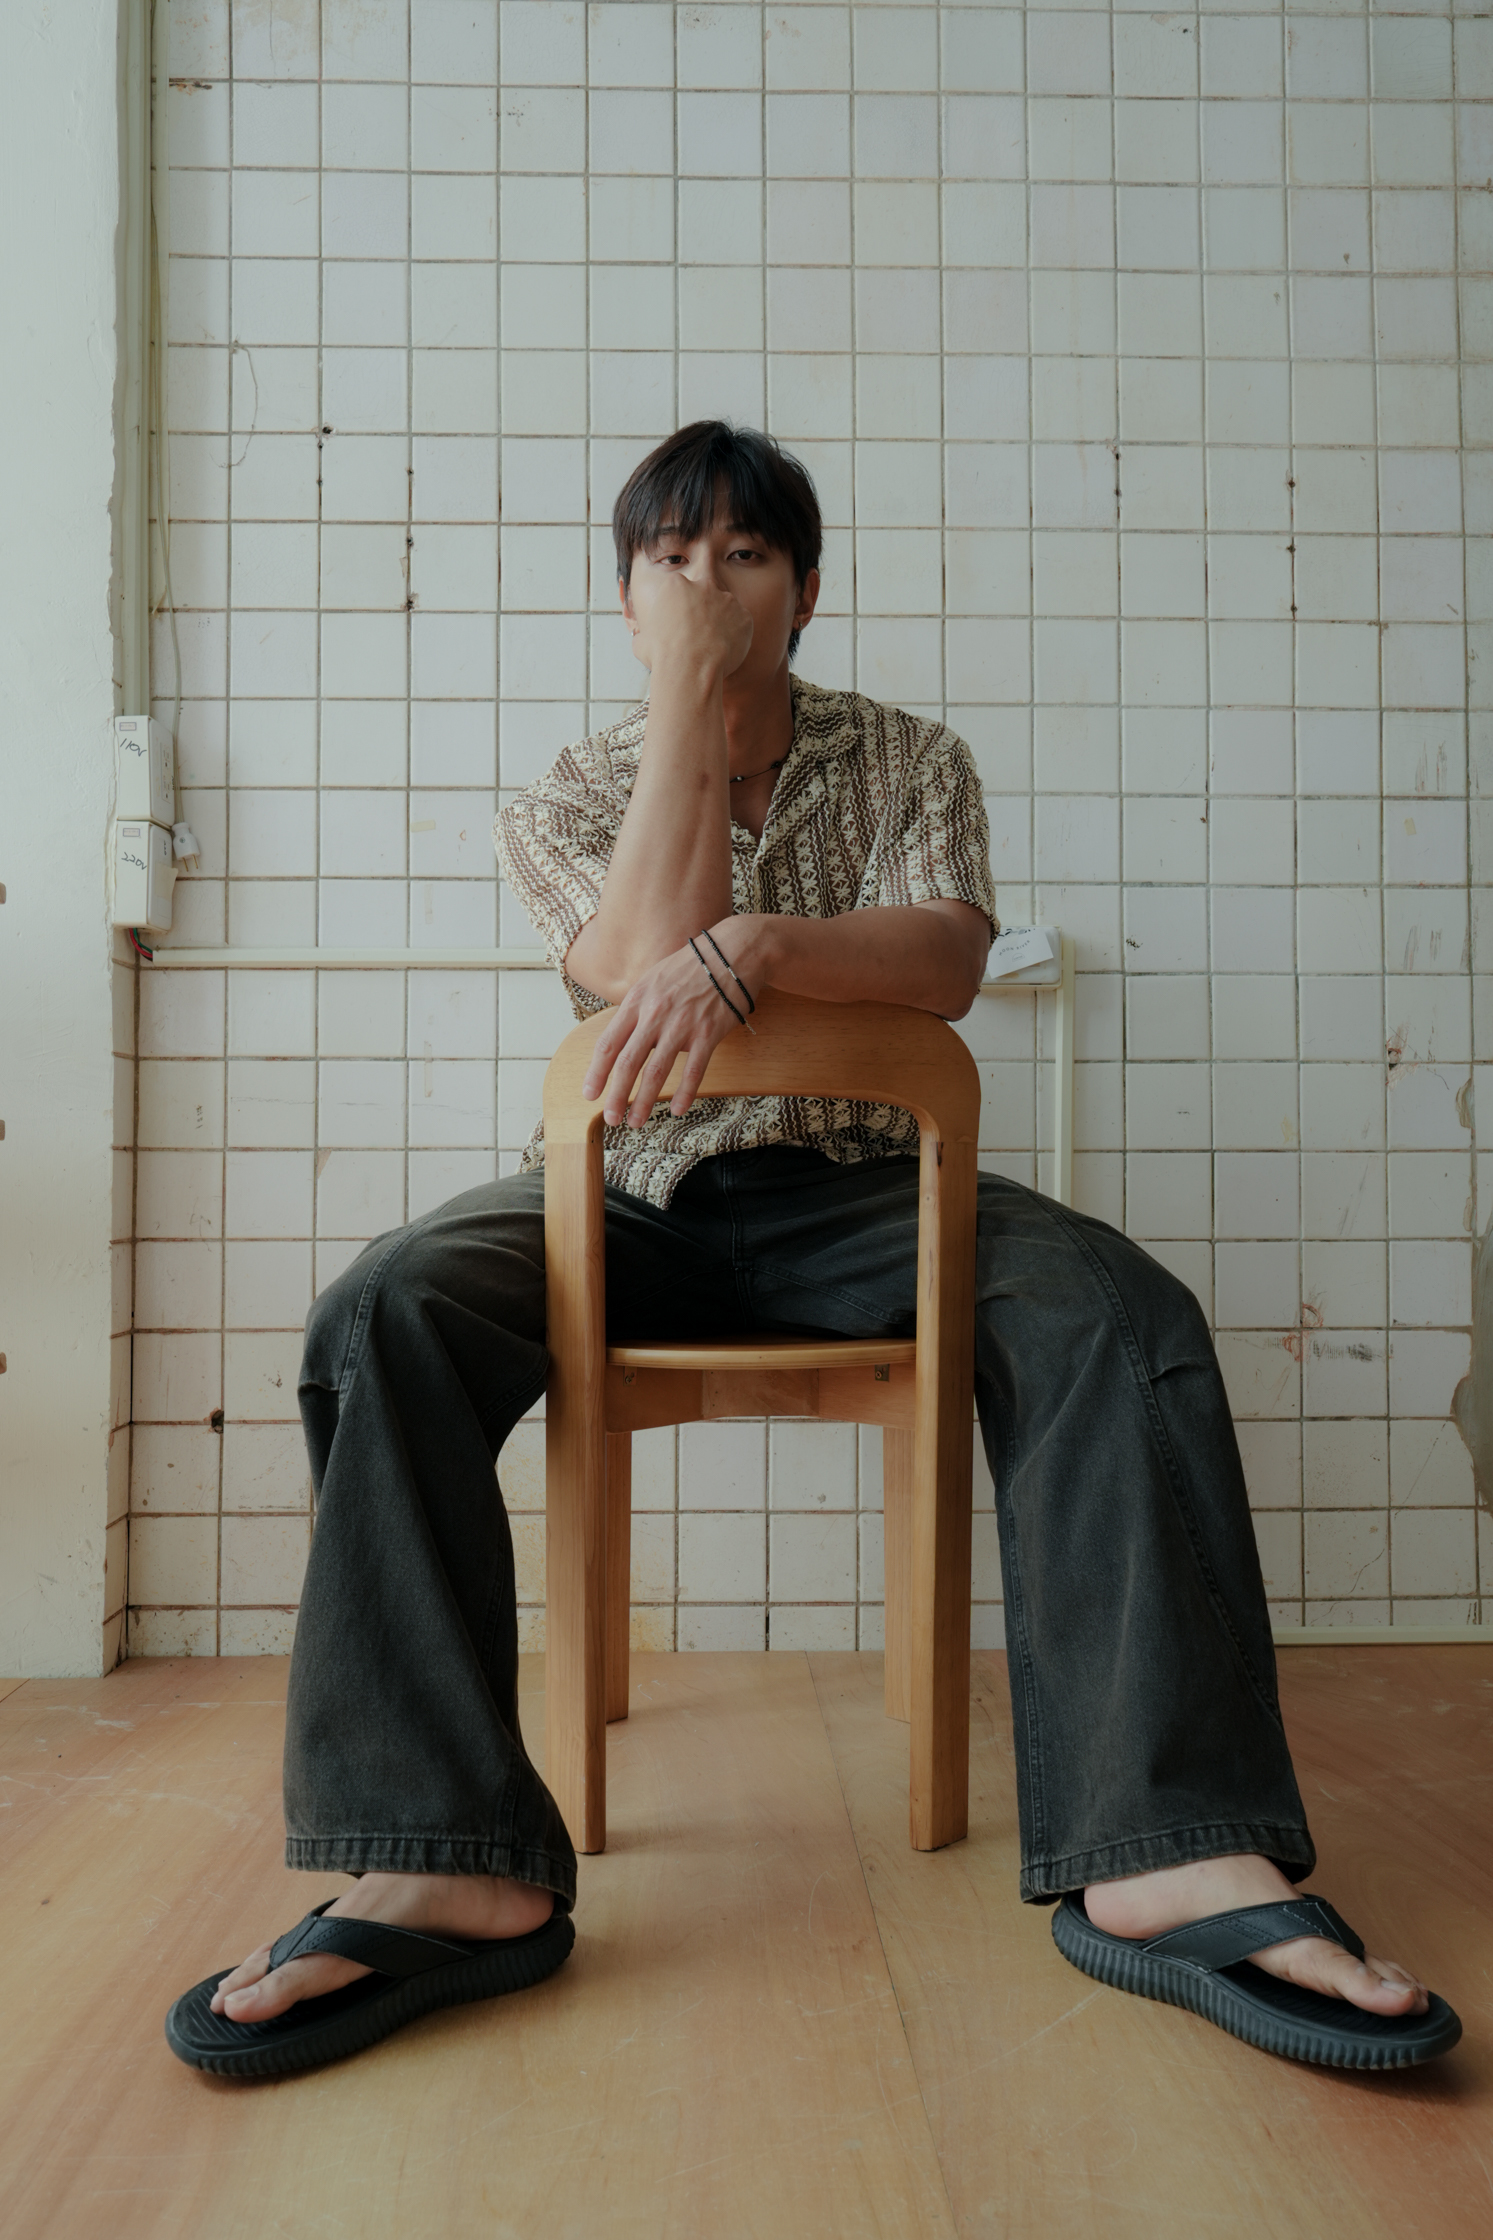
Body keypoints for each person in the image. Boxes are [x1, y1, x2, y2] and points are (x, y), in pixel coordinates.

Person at [165, 422, 1458, 2079]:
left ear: (809, 589)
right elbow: (637, 958)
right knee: (381, 1315)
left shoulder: (912, 757)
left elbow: (942, 965)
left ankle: (1172, 1849)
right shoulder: (567, 792)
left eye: (744, 556)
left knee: (1116, 1312)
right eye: (670, 561)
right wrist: (687, 716)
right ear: (625, 601)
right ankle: (441, 1861)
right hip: (620, 1198)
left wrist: (766, 944)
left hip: (868, 1193)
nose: (706, 583)